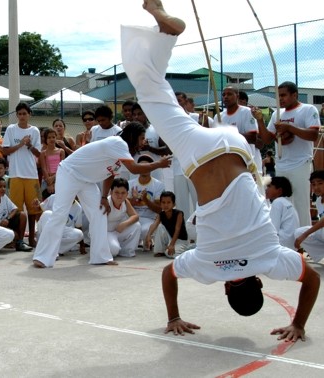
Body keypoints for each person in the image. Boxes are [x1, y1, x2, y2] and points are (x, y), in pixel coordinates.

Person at [122, 0, 320, 341]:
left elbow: (313, 280)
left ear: (259, 283)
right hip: (199, 155)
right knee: (152, 93)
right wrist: (174, 318)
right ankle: (162, 30)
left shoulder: (272, 261)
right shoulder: (206, 267)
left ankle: (166, 33)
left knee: (256, 188)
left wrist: (299, 323)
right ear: (228, 290)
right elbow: (168, 274)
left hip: (237, 149)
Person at [32, 121, 171, 268]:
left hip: (87, 181)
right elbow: (135, 169)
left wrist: (104, 197)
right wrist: (159, 164)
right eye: (142, 138)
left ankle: (100, 256)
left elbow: (110, 174)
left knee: (99, 213)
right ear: (133, 136)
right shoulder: (118, 143)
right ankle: (42, 257)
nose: (144, 141)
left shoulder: (123, 151)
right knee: (60, 214)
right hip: (69, 173)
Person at [255, 81, 320, 227]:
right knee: (282, 203)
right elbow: (267, 139)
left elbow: (313, 135)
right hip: (282, 165)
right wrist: (260, 121)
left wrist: (290, 128)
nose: (280, 99)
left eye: (283, 95)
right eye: (278, 96)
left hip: (301, 163)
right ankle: (287, 237)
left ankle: (304, 239)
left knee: (300, 203)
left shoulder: (308, 109)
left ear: (294, 94)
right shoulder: (277, 114)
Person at [2, 102, 42, 247]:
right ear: (16, 115)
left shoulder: (35, 131)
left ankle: (31, 238)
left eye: (25, 113)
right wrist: (20, 144)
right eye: (19, 114)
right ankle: (15, 239)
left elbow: (39, 153)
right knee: (16, 211)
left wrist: (29, 145)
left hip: (31, 175)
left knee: (33, 209)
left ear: (29, 114)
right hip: (15, 175)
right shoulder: (11, 130)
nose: (22, 116)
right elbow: (5, 151)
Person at [128, 154, 166, 247]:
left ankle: (146, 240)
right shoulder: (130, 184)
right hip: (133, 218)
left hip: (149, 219)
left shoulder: (158, 185)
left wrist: (146, 200)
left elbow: (159, 209)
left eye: (146, 166)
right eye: (141, 166)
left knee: (145, 231)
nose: (144, 169)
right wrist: (135, 200)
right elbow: (124, 206)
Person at [0, 175, 33, 252]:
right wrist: (4, 226)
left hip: (5, 225)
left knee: (22, 215)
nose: (3, 189)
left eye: (4, 187)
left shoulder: (4, 197)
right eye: (0, 187)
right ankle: (10, 242)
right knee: (14, 235)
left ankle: (20, 242)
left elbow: (15, 209)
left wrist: (7, 218)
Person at [145, 191, 188, 258]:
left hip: (180, 240)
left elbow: (177, 229)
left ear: (173, 204)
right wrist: (148, 236)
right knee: (159, 227)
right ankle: (160, 251)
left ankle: (187, 249)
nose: (166, 205)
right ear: (160, 204)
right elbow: (154, 224)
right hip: (169, 238)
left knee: (171, 254)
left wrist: (172, 244)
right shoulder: (161, 214)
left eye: (168, 202)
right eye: (163, 202)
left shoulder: (179, 214)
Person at [106, 178, 141, 258]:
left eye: (123, 193)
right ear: (111, 192)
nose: (120, 196)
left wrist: (124, 224)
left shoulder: (125, 201)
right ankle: (115, 247)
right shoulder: (107, 203)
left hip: (118, 231)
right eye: (116, 193)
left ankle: (126, 251)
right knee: (114, 251)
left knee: (137, 225)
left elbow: (135, 216)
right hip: (106, 233)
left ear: (127, 194)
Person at [294, 170, 324, 262]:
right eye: (313, 184)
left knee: (303, 234)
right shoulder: (319, 200)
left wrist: (305, 234)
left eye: (320, 183)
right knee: (298, 232)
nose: (316, 187)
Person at [265, 176, 299, 250]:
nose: (266, 189)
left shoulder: (277, 202)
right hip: (291, 243)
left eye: (269, 186)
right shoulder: (286, 202)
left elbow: (273, 228)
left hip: (282, 243)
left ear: (279, 190)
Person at [39, 128, 65, 199]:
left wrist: (53, 178)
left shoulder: (61, 151)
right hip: (47, 179)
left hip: (59, 178)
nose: (52, 139)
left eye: (53, 137)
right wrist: (49, 183)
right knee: (46, 202)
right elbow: (43, 168)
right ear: (46, 140)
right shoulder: (43, 153)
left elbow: (62, 167)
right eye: (49, 137)